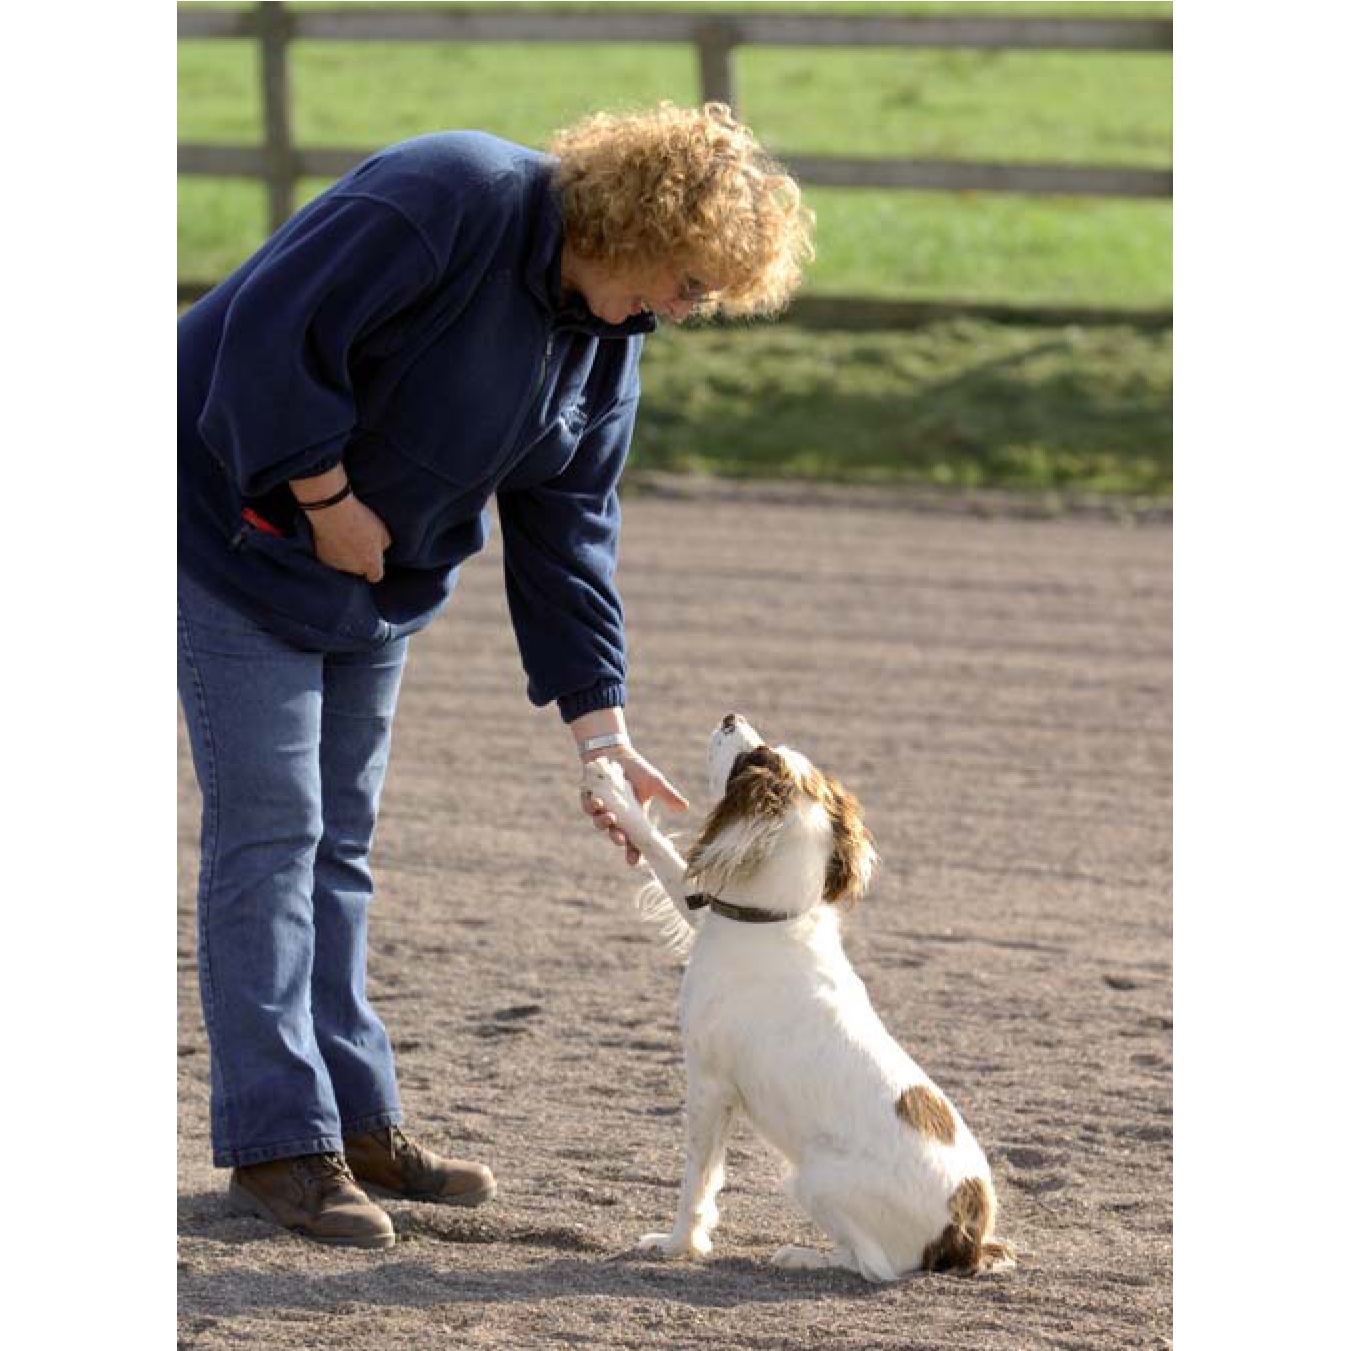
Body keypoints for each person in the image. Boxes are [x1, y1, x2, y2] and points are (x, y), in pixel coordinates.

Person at [177, 101, 813, 1249]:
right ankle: (276, 1143)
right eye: (685, 282)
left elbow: (570, 529)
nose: (682, 311)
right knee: (271, 833)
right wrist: (324, 498)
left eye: (703, 298)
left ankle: (352, 1120)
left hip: (370, 575)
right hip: (228, 529)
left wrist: (602, 736)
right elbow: (266, 339)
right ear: (636, 224)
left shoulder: (610, 335)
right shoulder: (449, 197)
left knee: (339, 843)